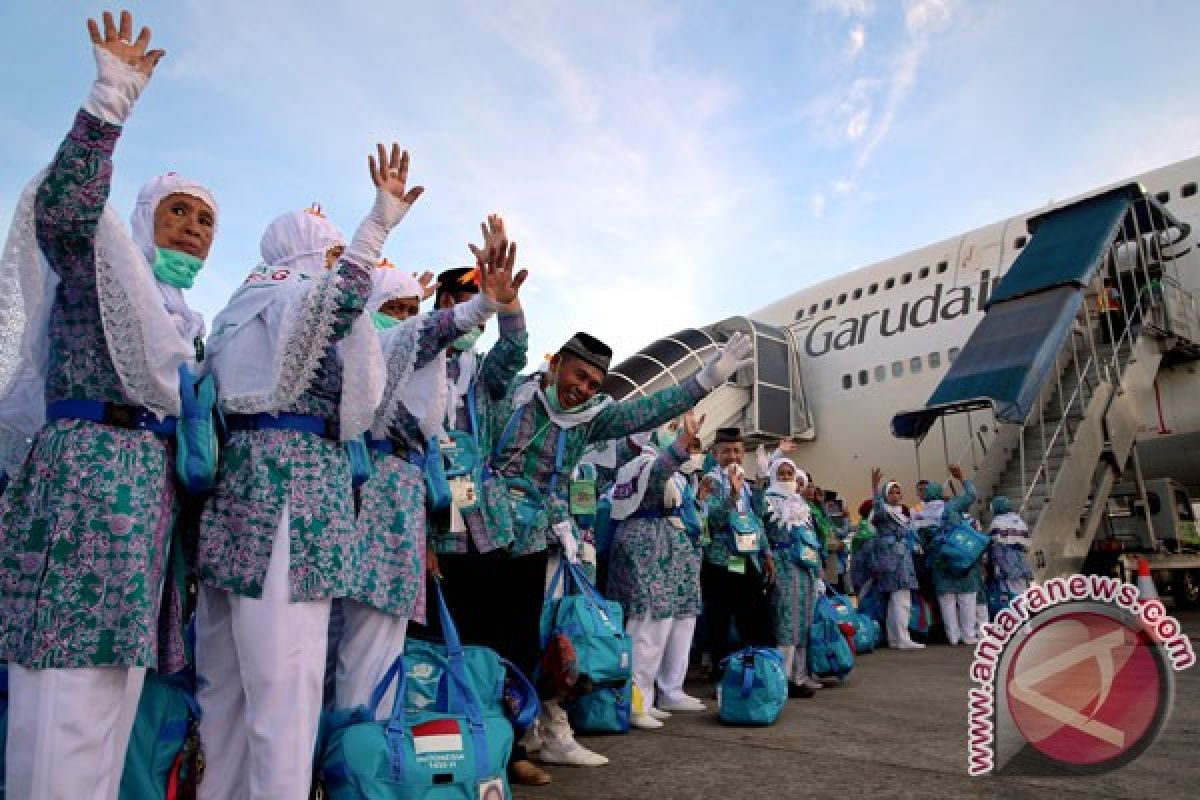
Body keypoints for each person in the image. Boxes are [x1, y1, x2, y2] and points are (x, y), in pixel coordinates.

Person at [0, 12, 218, 798]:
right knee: (61, 704)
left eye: (205, 221)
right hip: (82, 494)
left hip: (142, 513)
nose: (193, 230)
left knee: (113, 706)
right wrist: (109, 101)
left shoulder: (181, 325)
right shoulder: (103, 264)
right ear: (143, 218)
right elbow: (61, 212)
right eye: (179, 212)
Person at [195, 143, 421, 799]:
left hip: (238, 497)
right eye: (326, 255)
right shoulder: (296, 296)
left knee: (228, 690)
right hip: (295, 500)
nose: (337, 269)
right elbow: (341, 300)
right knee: (287, 695)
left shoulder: (242, 303)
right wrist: (375, 225)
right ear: (307, 255)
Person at [483, 330, 752, 770]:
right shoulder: (514, 399)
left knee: (553, 639)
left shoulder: (590, 419)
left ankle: (546, 733)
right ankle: (499, 741)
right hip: (492, 535)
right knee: (497, 639)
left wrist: (708, 379)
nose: (584, 389)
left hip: (548, 542)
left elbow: (644, 409)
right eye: (579, 375)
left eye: (594, 384)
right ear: (555, 366)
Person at [335, 223, 527, 715]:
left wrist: (509, 306)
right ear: (443, 304)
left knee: (486, 624)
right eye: (466, 300)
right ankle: (416, 732)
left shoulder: (478, 373)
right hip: (418, 511)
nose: (474, 319)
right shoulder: (401, 352)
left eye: (479, 305)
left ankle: (491, 738)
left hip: (474, 517)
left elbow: (514, 355)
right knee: (421, 630)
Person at [606, 411, 708, 730]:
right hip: (646, 546)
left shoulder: (662, 470)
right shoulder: (641, 465)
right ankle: (635, 701)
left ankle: (657, 694)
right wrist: (681, 443)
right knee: (647, 624)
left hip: (663, 545)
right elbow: (660, 471)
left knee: (661, 623)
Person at [701, 427, 777, 676]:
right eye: (726, 452)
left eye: (736, 451)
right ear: (715, 453)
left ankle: (757, 668)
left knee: (754, 613)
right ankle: (723, 672)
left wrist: (766, 553)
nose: (732, 456)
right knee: (720, 617)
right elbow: (711, 519)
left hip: (745, 558)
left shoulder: (746, 483)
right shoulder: (710, 481)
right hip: (721, 560)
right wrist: (731, 496)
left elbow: (755, 519)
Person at [763, 459, 823, 698]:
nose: (787, 477)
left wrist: (817, 573)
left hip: (805, 568)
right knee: (785, 620)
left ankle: (800, 676)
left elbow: (811, 538)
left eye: (790, 473)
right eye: (782, 473)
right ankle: (783, 678)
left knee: (804, 620)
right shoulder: (767, 501)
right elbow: (761, 532)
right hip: (782, 565)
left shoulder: (802, 505)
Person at [868, 468, 924, 650]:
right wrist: (874, 487)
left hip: (902, 558)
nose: (895, 495)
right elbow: (877, 507)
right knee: (902, 599)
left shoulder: (903, 514)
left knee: (896, 600)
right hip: (893, 560)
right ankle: (903, 638)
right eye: (891, 492)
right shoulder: (883, 513)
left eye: (897, 491)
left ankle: (895, 638)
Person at [927, 465, 982, 646]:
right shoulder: (950, 507)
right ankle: (968, 635)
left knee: (947, 600)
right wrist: (962, 478)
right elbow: (971, 495)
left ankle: (953, 636)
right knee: (967, 598)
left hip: (939, 561)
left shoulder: (918, 514)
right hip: (960, 556)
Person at [986, 496, 1033, 609]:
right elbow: (1026, 544)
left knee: (1008, 593)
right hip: (1021, 562)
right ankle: (1025, 617)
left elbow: (994, 545)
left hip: (1005, 563)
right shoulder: (1020, 521)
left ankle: (1014, 618)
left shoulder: (997, 522)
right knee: (1022, 592)